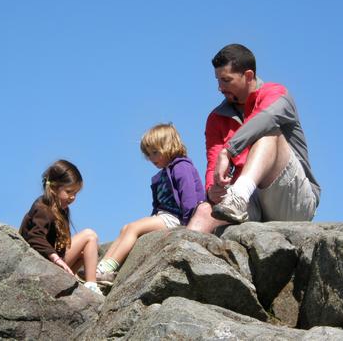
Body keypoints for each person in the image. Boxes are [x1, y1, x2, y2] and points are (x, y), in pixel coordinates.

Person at [187, 43, 320, 233]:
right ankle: (176, 260)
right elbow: (213, 162)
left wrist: (229, 149)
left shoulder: (277, 94)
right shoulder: (216, 118)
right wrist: (212, 189)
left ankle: (239, 196)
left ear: (248, 76)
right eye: (218, 80)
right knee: (204, 210)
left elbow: (266, 119)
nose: (220, 88)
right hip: (248, 205)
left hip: (291, 202)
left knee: (268, 132)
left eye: (226, 80)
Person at [96, 123, 205, 285]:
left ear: (169, 146)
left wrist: (190, 225)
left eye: (155, 152)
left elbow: (189, 196)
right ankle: (100, 268)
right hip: (164, 216)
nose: (152, 158)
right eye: (148, 154)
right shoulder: (160, 176)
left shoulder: (181, 167)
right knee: (126, 227)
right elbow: (158, 205)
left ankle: (109, 268)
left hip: (178, 218)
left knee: (133, 228)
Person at [19, 159, 103, 296]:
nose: (72, 197)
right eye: (69, 192)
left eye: (76, 193)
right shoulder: (42, 208)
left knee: (86, 254)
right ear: (53, 187)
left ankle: (73, 282)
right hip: (42, 263)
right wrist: (56, 259)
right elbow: (35, 237)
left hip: (53, 262)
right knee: (89, 235)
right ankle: (92, 285)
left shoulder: (62, 210)